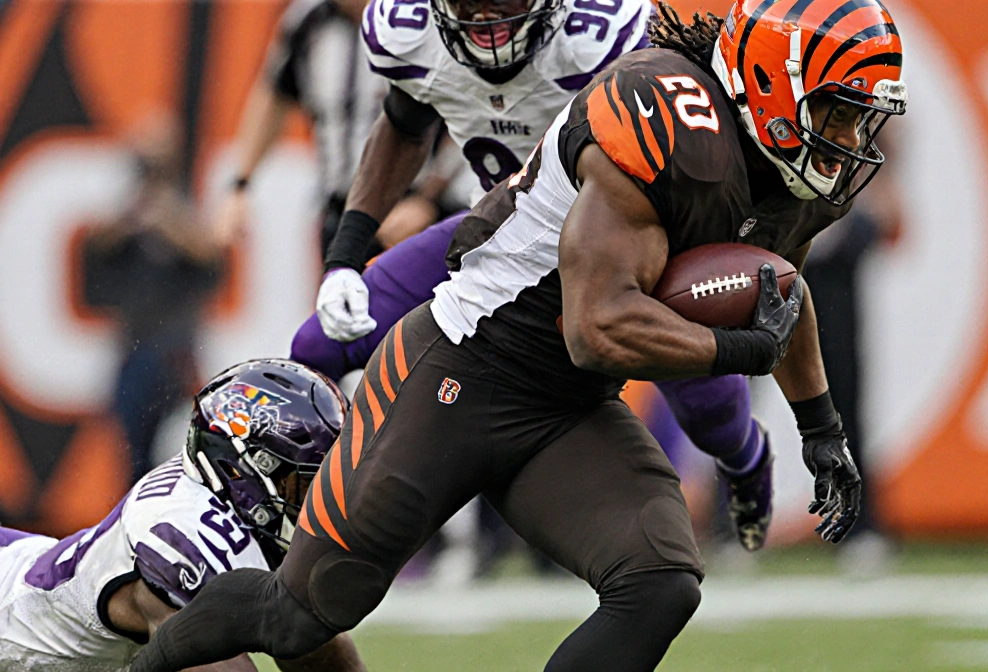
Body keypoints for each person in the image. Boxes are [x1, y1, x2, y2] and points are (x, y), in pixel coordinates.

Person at [131, 1, 906, 670]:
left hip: (566, 407)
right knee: (301, 613)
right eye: (839, 109)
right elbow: (597, 328)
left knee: (660, 580)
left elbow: (779, 291)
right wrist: (740, 352)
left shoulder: (797, 173)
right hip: (463, 369)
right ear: (775, 82)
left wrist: (821, 430)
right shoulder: (666, 116)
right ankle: (143, 649)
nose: (851, 136)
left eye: (860, 116)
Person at [294, 0, 775, 551]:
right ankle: (290, 522)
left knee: (713, 416)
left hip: (620, 253)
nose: (486, 20)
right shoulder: (409, 31)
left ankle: (747, 460)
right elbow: (404, 125)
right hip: (501, 241)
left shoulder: (603, 38)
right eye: (468, 3)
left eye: (505, 1)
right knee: (318, 343)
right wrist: (344, 258)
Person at [0, 360, 365, 671]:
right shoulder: (183, 538)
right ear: (250, 469)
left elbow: (305, 637)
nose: (324, 497)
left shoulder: (227, 495)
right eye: (306, 482)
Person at [215, 0, 462, 259]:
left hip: (416, 214)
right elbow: (275, 96)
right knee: (340, 296)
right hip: (341, 214)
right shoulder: (310, 19)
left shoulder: (425, 16)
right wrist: (241, 185)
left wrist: (428, 200)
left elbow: (469, 109)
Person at [82, 114, 228, 483]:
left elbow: (210, 255)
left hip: (174, 353)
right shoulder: (128, 208)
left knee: (176, 452)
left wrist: (167, 222)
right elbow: (96, 246)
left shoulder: (183, 205)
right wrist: (134, 216)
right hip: (133, 346)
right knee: (131, 453)